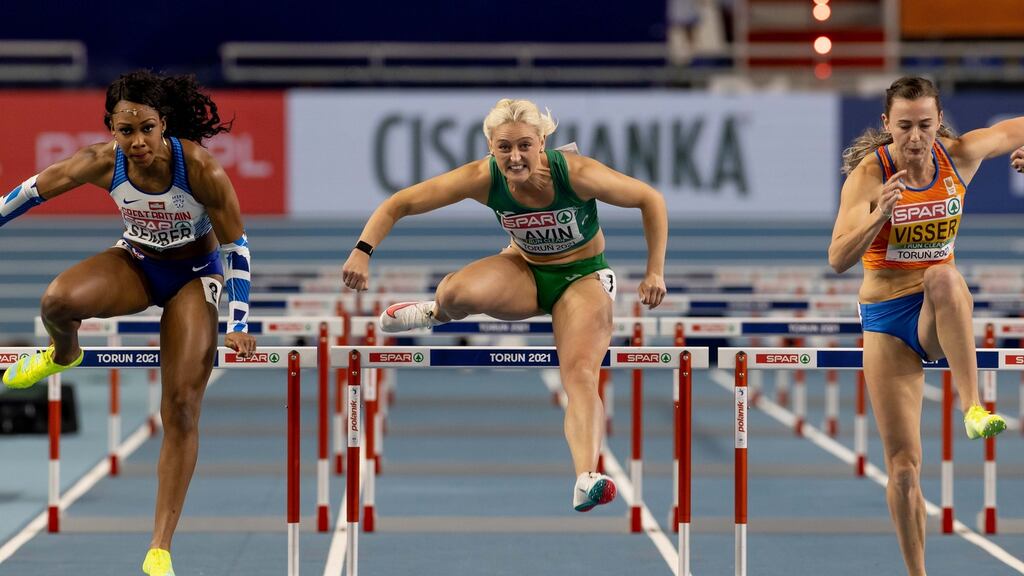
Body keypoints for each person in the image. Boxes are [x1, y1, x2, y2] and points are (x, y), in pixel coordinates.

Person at [342, 98, 668, 512]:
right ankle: (434, 312)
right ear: (491, 147)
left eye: (525, 146)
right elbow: (399, 203)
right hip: (525, 270)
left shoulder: (578, 173)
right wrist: (362, 251)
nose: (515, 158)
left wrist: (654, 271)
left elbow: (650, 200)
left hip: (583, 278)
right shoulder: (483, 177)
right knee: (457, 293)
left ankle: (586, 476)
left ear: (543, 141)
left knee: (581, 373)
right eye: (504, 148)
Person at [0, 70, 256, 576]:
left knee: (181, 405)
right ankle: (61, 355)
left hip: (192, 276)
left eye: (147, 129)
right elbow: (30, 191)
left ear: (164, 125)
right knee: (55, 302)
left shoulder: (201, 170)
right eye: (125, 130)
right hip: (137, 263)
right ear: (110, 129)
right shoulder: (100, 162)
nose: (137, 141)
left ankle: (159, 547)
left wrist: (240, 319)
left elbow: (237, 248)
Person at [829, 76, 1017, 576]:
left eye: (925, 126)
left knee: (944, 276)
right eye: (905, 126)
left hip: (937, 311)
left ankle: (973, 407)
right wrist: (877, 217)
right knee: (905, 469)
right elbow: (837, 258)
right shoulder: (870, 175)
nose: (915, 138)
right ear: (887, 124)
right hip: (887, 321)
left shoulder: (960, 156)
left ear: (939, 123)